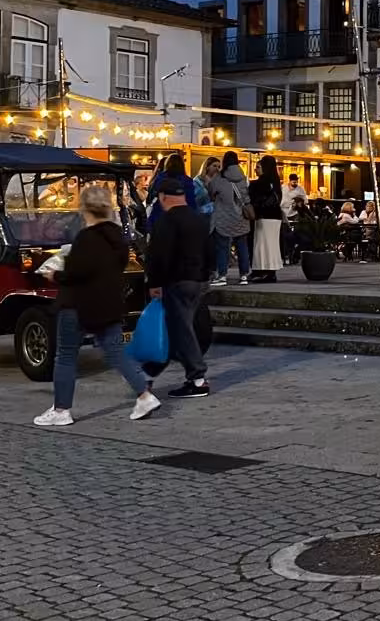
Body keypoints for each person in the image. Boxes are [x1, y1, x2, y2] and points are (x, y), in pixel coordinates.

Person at [33, 186, 160, 428]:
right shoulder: (119, 239)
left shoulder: (86, 237)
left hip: (78, 304)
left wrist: (55, 275)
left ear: (84, 209)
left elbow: (77, 273)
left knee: (66, 355)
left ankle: (61, 409)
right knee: (116, 352)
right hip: (108, 304)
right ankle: (144, 395)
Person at [144, 176, 211, 400]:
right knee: (178, 328)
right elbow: (210, 251)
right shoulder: (199, 219)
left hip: (177, 280)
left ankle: (198, 378)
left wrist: (154, 283)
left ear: (163, 197)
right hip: (199, 280)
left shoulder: (166, 221)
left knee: (181, 329)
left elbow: (158, 255)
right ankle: (149, 373)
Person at [206, 151, 252, 287]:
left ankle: (222, 276)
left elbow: (211, 192)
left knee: (222, 248)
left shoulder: (219, 178)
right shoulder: (242, 177)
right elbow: (246, 196)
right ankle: (244, 275)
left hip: (223, 218)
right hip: (241, 219)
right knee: (242, 247)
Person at [248, 155, 284, 284]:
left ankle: (263, 271)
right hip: (275, 217)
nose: (255, 169)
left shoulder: (259, 183)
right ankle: (270, 271)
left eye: (258, 167)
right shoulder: (275, 182)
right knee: (271, 245)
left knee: (261, 245)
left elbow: (253, 199)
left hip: (263, 217)